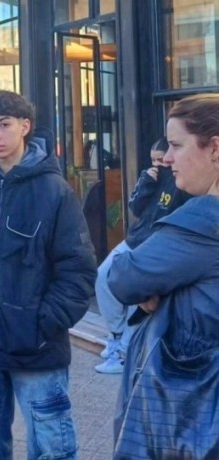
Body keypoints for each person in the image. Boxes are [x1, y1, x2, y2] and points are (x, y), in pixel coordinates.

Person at [0, 90, 96, 460]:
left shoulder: (55, 192)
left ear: (24, 127)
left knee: (51, 448)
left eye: (4, 125)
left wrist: (42, 323)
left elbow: (77, 271)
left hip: (36, 346)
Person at [108, 93, 219, 458]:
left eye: (176, 145)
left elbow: (124, 277)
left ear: (215, 148)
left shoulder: (204, 220)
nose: (167, 158)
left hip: (188, 418)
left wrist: (154, 288)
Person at [93, 137, 187, 374]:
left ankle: (124, 352)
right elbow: (135, 207)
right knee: (103, 277)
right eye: (153, 160)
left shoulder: (181, 180)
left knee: (138, 295)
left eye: (161, 159)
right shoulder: (151, 176)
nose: (158, 164)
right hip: (135, 238)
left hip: (154, 244)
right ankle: (116, 335)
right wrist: (146, 182)